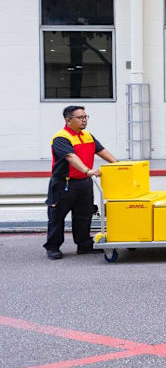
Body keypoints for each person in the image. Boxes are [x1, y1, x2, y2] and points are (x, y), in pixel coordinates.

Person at [43, 106, 117, 260]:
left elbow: (101, 150)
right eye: (80, 117)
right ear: (68, 120)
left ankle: (84, 245)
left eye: (85, 117)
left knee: (84, 215)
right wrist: (87, 170)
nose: (84, 120)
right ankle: (53, 247)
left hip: (84, 183)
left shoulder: (87, 135)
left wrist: (118, 165)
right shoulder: (61, 138)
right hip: (64, 184)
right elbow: (71, 157)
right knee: (57, 216)